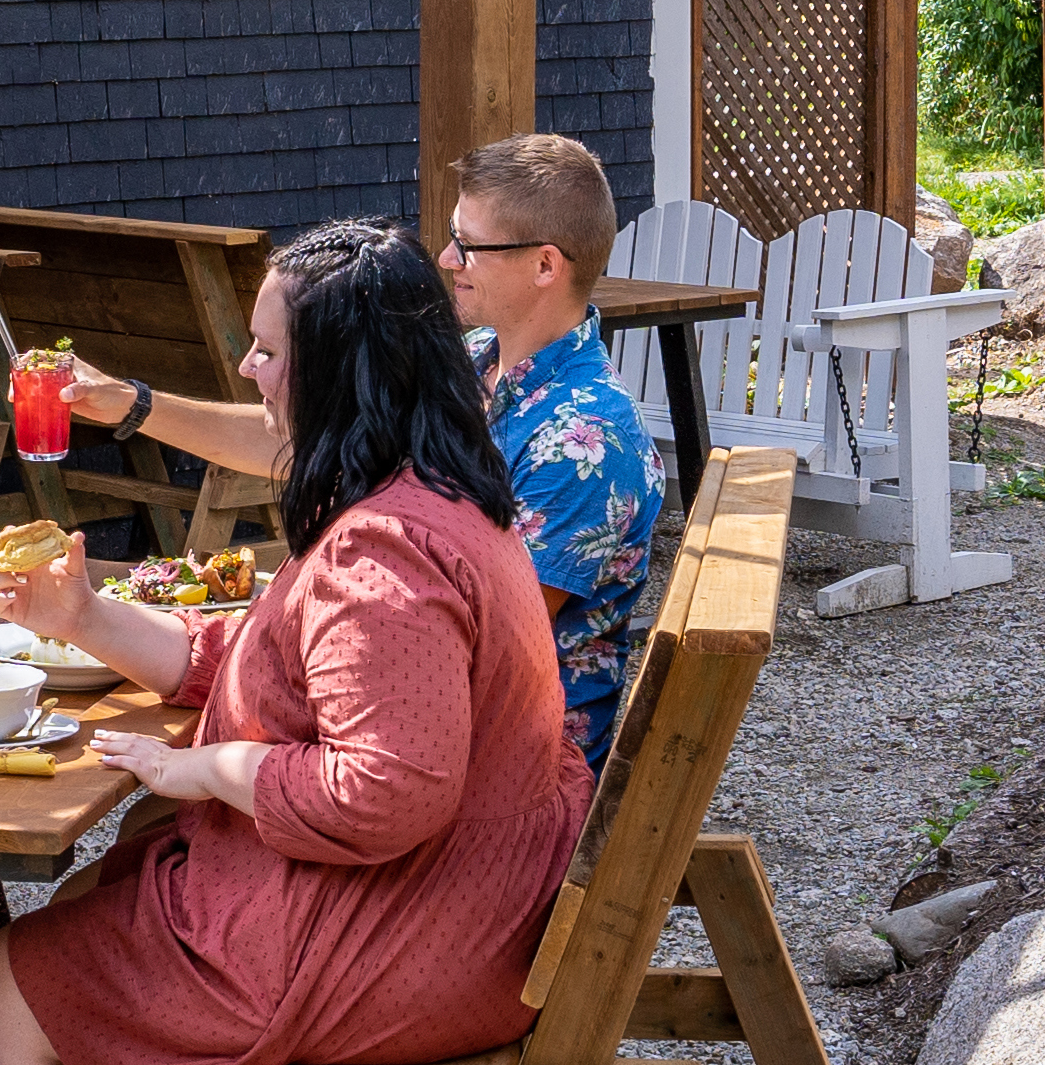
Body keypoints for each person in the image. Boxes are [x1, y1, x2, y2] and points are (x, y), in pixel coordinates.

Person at [0, 217, 582, 1065]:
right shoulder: (436, 490)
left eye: (266, 352)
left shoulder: (381, 555)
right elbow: (257, 654)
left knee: (8, 979)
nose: (247, 371)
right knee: (104, 887)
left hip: (406, 940)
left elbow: (386, 789)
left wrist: (209, 775)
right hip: (460, 906)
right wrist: (85, 616)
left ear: (338, 370)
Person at [62, 131, 660, 766]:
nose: (446, 257)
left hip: (489, 765)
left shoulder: (583, 442)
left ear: (546, 265)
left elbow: (485, 644)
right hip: (411, 702)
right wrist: (134, 405)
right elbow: (308, 430)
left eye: (469, 245)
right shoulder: (475, 359)